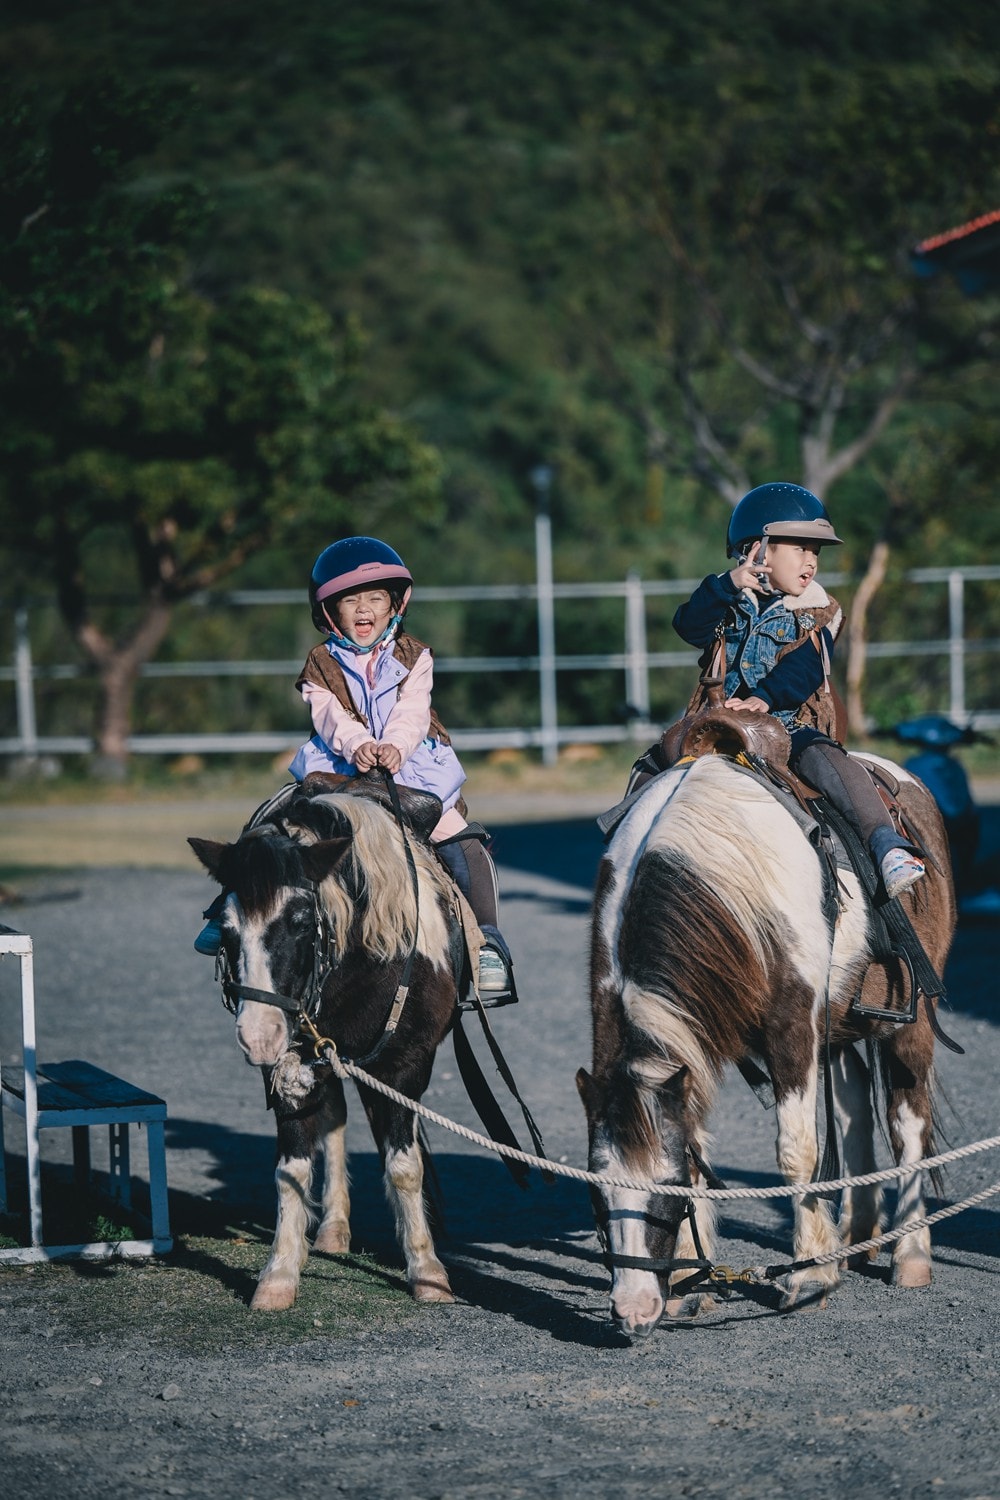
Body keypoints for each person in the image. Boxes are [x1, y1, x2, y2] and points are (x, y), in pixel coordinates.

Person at [202, 535, 514, 1000]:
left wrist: (394, 746)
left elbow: (414, 709)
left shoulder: (415, 655)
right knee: (279, 824)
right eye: (350, 600)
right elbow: (326, 716)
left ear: (395, 605)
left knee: (459, 838)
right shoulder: (320, 663)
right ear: (330, 612)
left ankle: (486, 940)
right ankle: (229, 907)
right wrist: (359, 744)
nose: (364, 609)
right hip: (340, 764)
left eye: (375, 599)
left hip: (407, 766)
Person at [671, 482, 926, 903]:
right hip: (714, 721)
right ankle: (631, 848)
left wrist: (765, 698)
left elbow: (807, 668)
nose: (811, 562)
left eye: (816, 552)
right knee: (657, 759)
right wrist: (726, 586)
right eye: (800, 548)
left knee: (827, 761)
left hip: (787, 722)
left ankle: (886, 844)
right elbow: (687, 626)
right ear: (758, 550)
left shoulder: (818, 610)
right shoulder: (725, 600)